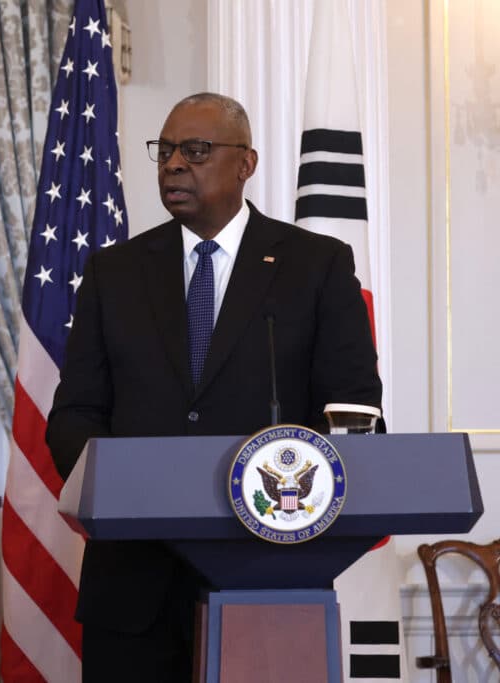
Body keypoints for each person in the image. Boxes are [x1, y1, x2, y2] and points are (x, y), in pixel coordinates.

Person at [46, 93, 382, 681]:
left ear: (245, 164)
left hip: (270, 577)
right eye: (166, 151)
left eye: (196, 150)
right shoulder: (114, 272)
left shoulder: (316, 265)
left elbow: (353, 411)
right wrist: (127, 493)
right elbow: (74, 416)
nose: (174, 164)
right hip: (133, 588)